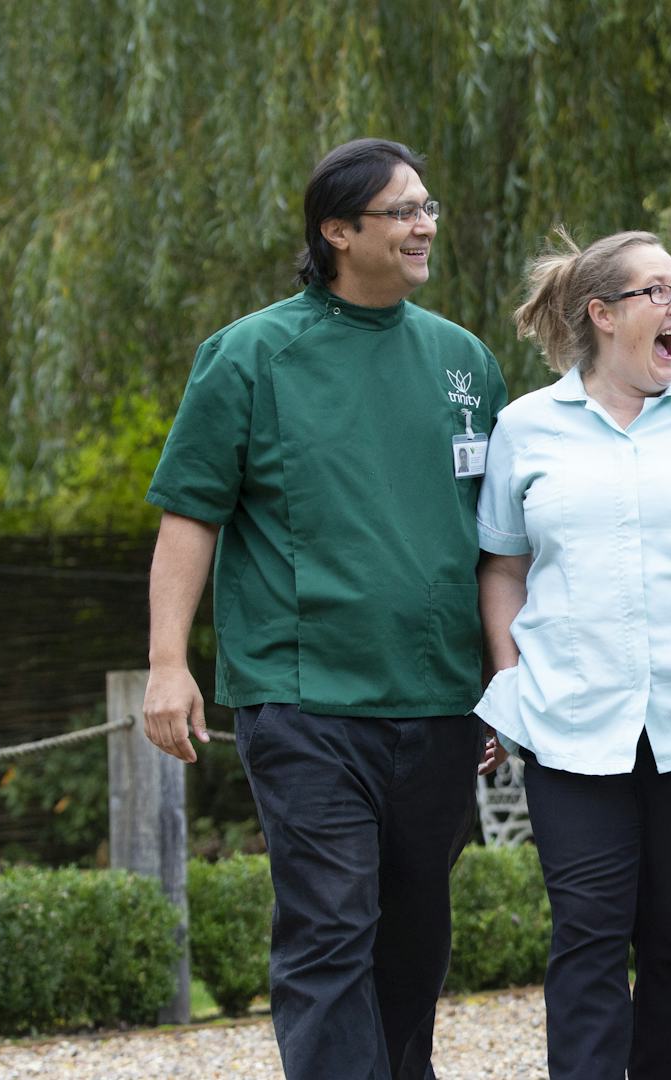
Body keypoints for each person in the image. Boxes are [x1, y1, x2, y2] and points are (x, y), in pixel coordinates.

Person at [142, 137, 507, 1080]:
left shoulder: (464, 360)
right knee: (331, 920)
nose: (426, 224)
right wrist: (168, 663)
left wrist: (509, 681)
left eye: (429, 206)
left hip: (437, 700)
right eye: (403, 210)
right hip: (303, 697)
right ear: (338, 230)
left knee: (417, 925)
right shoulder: (251, 355)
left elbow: (499, 545)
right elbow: (191, 515)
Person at [474, 229, 671, 1079]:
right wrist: (510, 681)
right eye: (657, 291)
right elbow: (503, 569)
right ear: (602, 313)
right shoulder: (525, 427)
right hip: (570, 722)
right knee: (585, 935)